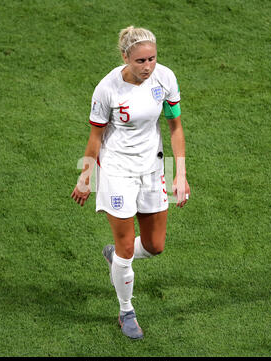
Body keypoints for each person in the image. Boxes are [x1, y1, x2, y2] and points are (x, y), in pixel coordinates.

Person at [71, 26, 190, 340]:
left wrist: (180, 173)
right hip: (116, 171)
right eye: (140, 61)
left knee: (155, 246)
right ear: (125, 57)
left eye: (151, 58)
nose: (148, 66)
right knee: (126, 247)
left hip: (153, 167)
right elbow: (95, 137)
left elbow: (175, 127)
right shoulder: (107, 89)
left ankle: (115, 259)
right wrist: (86, 178)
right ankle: (126, 311)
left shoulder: (165, 78)